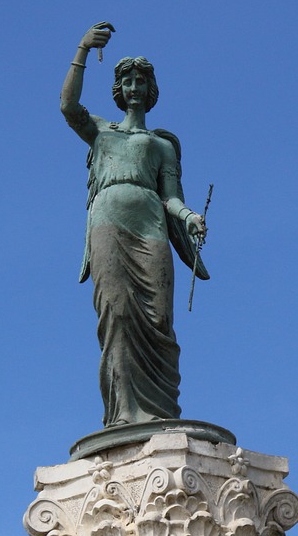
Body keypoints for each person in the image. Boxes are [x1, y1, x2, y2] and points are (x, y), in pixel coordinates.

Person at [59, 22, 209, 427]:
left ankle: (160, 412)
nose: (134, 87)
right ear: (118, 89)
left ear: (151, 88)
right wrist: (83, 49)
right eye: (127, 80)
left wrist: (190, 217)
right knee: (118, 315)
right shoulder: (101, 132)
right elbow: (68, 106)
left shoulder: (162, 145)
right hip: (108, 225)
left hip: (151, 229)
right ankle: (124, 413)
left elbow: (171, 198)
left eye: (141, 80)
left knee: (159, 321)